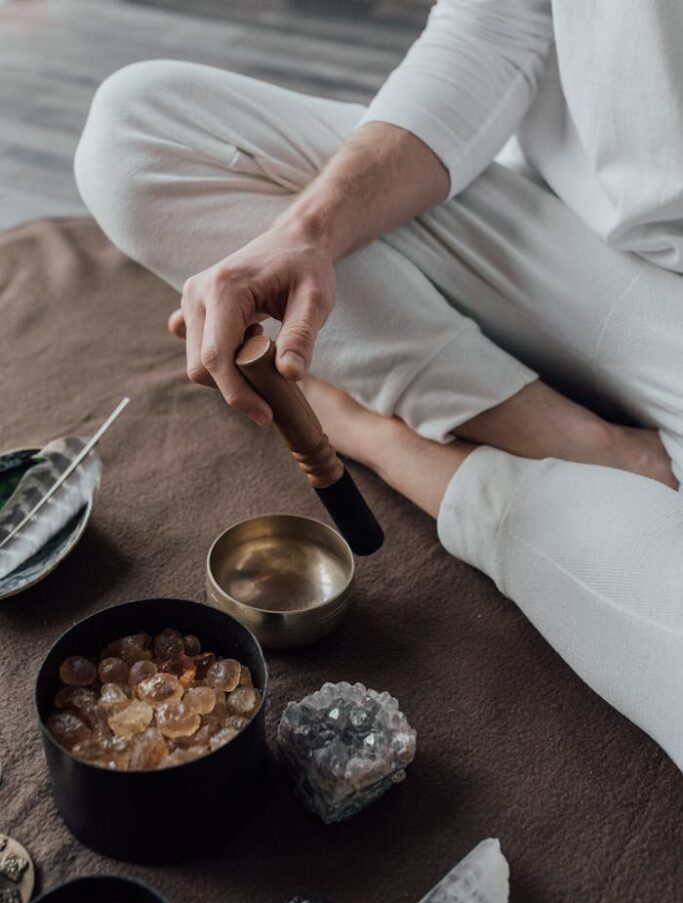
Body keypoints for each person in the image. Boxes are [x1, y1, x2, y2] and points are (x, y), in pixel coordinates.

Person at [73, 0, 683, 771]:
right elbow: (495, 29)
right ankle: (551, 431)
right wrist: (308, 231)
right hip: (550, 239)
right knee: (134, 129)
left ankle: (387, 441)